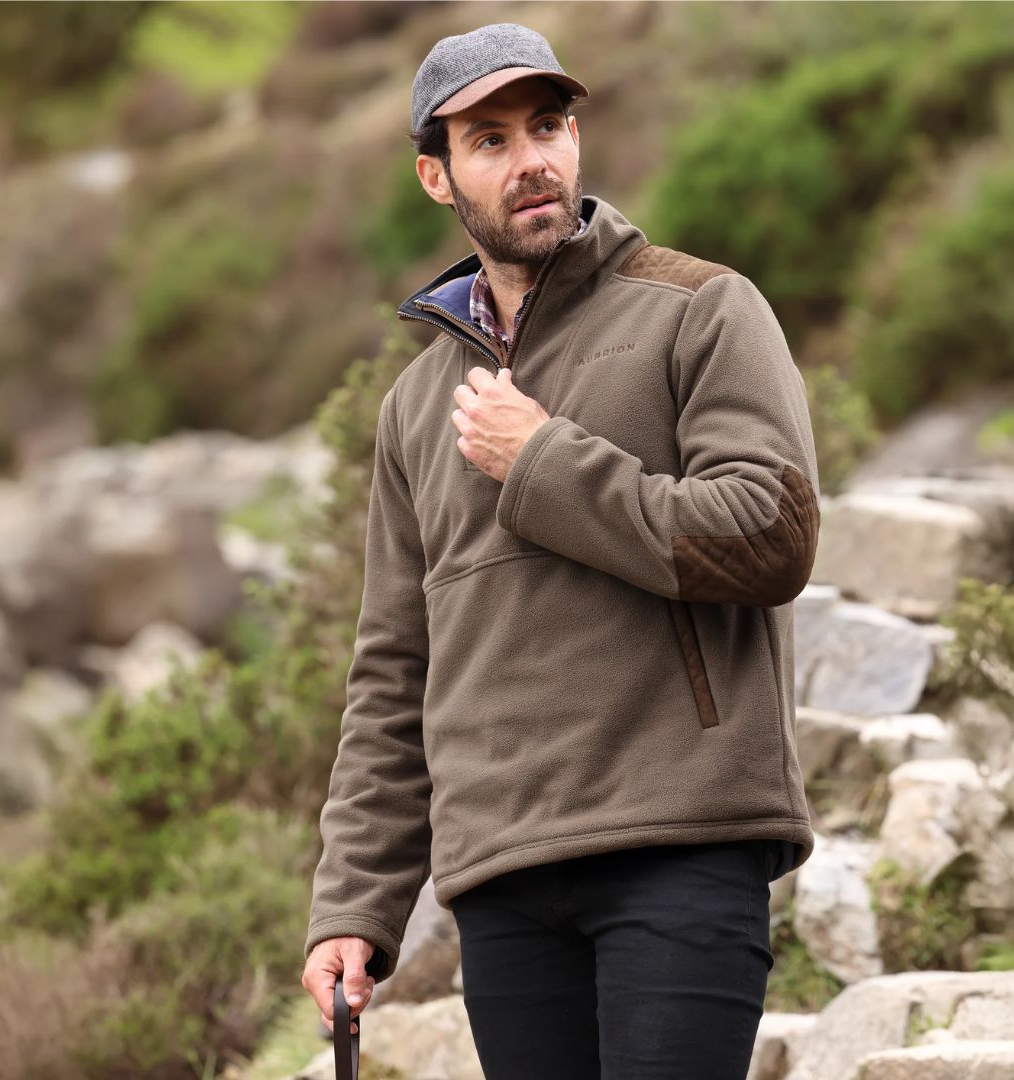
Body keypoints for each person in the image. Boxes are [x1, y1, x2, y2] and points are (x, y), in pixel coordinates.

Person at [301, 21, 820, 1079]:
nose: (531, 158)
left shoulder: (699, 310)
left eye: (547, 124)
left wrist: (543, 464)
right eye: (488, 140)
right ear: (435, 176)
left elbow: (772, 531)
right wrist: (354, 903)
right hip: (505, 881)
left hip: (680, 844)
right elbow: (395, 673)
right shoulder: (412, 412)